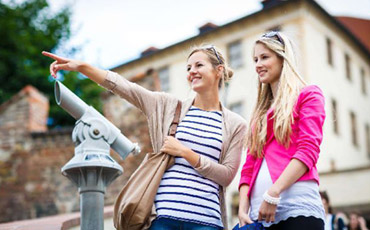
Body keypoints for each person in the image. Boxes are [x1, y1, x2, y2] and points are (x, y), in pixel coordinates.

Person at [42, 44, 247, 230]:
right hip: (164, 219)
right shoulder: (167, 106)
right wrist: (82, 68)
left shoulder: (235, 124)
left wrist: (184, 152)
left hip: (207, 222)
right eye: (188, 68)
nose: (192, 71)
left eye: (199, 65)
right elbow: (124, 87)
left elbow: (227, 175)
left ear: (218, 70)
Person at [237, 31, 326, 230]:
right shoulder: (259, 115)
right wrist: (243, 208)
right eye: (255, 59)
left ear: (283, 57)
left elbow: (308, 150)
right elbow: (249, 167)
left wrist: (273, 193)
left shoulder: (308, 95)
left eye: (265, 57)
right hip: (259, 217)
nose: (258, 64)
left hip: (296, 208)